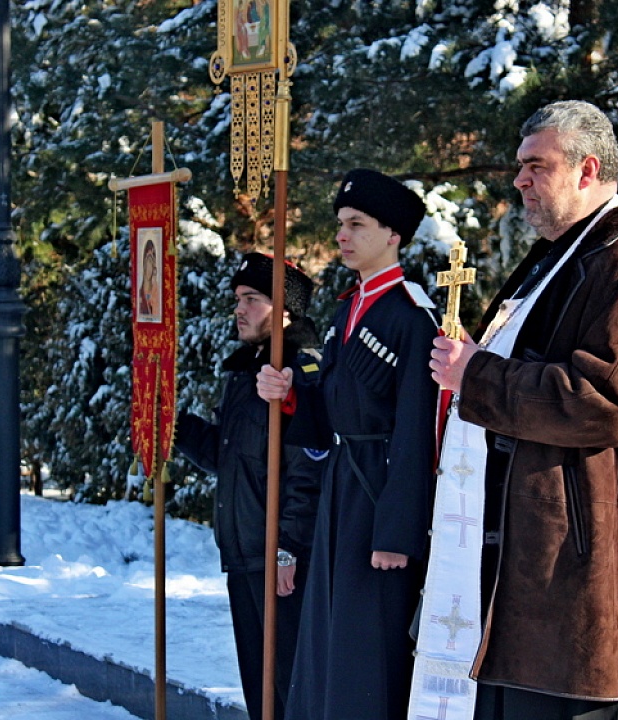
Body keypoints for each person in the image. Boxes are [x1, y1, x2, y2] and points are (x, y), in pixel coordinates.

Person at [428, 100, 618, 719]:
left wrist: (479, 375)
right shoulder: (562, 258)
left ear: (587, 169)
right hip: (530, 577)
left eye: (536, 166)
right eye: (520, 166)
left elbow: (608, 402)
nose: (519, 180)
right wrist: (475, 365)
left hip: (584, 576)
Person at [257, 168, 441, 720]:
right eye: (340, 223)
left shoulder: (412, 317)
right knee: (328, 646)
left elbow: (418, 431)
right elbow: (330, 412)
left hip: (379, 494)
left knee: (366, 651)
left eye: (357, 224)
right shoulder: (347, 309)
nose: (342, 234)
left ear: (393, 235)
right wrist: (291, 394)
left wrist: (397, 533)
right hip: (341, 488)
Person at [174, 252, 324, 720]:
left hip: (280, 561)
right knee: (260, 689)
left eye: (253, 299)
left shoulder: (298, 371)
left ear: (285, 309)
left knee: (290, 686)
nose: (240, 309)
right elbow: (229, 458)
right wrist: (175, 426)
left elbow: (309, 471)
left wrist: (289, 548)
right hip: (244, 552)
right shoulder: (246, 372)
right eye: (238, 299)